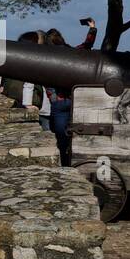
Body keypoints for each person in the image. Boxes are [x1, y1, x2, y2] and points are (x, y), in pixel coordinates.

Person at [42, 19, 97, 165]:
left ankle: (66, 162)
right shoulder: (71, 52)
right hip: (74, 98)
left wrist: (52, 97)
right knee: (77, 135)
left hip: (59, 102)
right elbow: (86, 46)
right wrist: (92, 28)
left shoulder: (46, 58)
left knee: (61, 137)